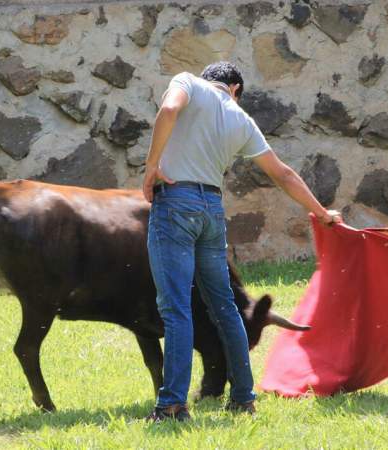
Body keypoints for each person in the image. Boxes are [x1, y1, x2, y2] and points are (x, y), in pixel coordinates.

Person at [142, 61, 343, 422]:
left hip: (175, 203)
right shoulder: (241, 119)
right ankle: (243, 398)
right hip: (212, 210)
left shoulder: (188, 82)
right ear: (235, 89)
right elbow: (283, 173)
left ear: (214, 81)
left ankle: (172, 405)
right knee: (226, 308)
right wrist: (322, 212)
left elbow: (169, 108)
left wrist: (151, 166)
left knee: (176, 309)